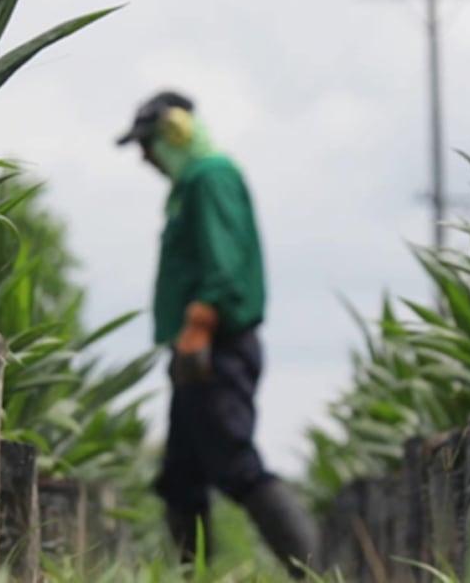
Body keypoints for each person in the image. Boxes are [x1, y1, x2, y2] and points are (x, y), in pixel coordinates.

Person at [116, 90, 319, 577]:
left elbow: (224, 266)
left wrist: (199, 326)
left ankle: (320, 572)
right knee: (180, 478)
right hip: (196, 346)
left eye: (148, 144)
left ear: (173, 135)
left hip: (214, 344)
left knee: (235, 464)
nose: (145, 158)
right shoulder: (192, 185)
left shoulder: (212, 177)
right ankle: (195, 574)